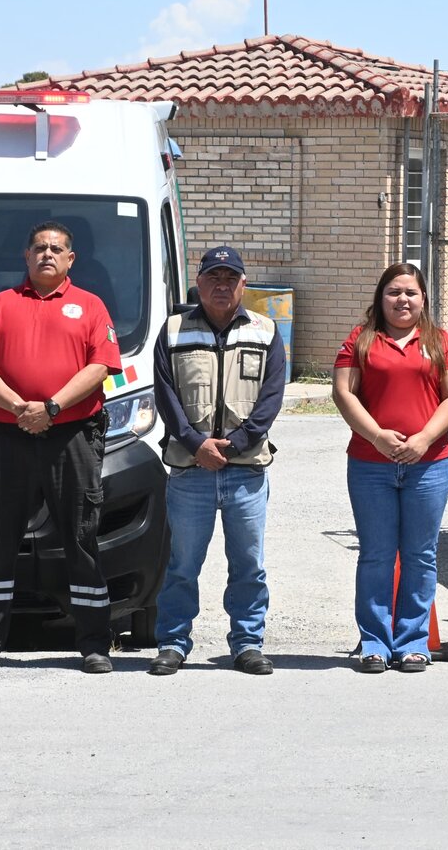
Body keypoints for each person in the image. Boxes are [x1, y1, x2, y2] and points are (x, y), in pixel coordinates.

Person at [0, 221, 122, 674]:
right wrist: (18, 407)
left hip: (72, 436)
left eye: (57, 249)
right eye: (39, 248)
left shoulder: (90, 306)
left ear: (71, 260)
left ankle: (93, 644)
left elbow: (102, 365)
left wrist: (51, 406)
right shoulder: (0, 305)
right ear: (26, 257)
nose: (48, 254)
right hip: (8, 436)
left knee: (81, 538)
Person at [149, 245, 286, 677]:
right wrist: (195, 444)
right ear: (199, 283)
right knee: (182, 565)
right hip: (191, 471)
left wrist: (239, 441)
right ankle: (172, 643)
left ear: (244, 284)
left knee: (249, 565)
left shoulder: (265, 330)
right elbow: (165, 394)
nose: (222, 286)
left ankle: (247, 644)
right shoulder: (173, 331)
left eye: (230, 278)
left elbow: (273, 394)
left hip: (246, 471)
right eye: (213, 278)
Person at [332, 263, 448, 673]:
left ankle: (413, 643)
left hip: (429, 467)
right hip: (372, 466)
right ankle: (374, 642)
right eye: (394, 292)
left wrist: (424, 438)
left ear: (424, 298)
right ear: (381, 297)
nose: (402, 300)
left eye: (410, 292)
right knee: (375, 555)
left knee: (420, 556)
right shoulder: (361, 339)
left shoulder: (439, 341)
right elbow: (343, 393)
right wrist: (376, 436)